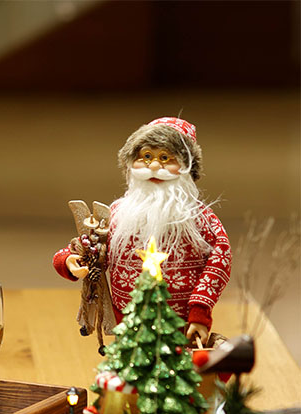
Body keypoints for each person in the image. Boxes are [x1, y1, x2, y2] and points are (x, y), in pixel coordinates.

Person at [53, 117, 231, 344]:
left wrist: (200, 311)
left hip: (181, 325)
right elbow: (93, 247)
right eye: (146, 157)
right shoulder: (119, 214)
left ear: (186, 166)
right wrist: (70, 260)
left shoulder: (199, 219)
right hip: (128, 324)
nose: (154, 167)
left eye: (165, 158)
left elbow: (220, 260)